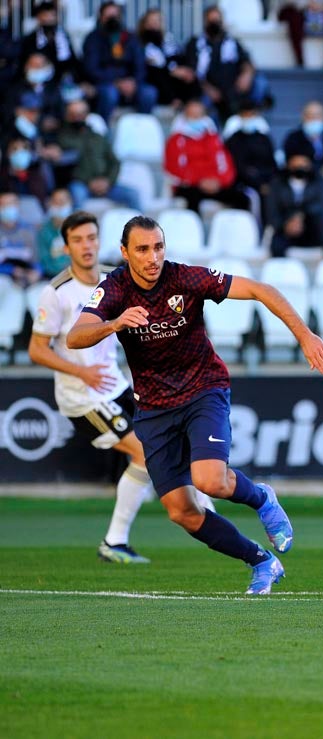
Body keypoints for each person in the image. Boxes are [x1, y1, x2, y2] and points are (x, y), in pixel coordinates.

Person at [68, 214, 323, 595]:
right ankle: (261, 561)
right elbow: (75, 337)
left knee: (209, 480)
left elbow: (261, 290)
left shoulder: (186, 278)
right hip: (155, 409)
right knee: (181, 511)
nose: (152, 257)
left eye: (158, 247)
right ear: (125, 253)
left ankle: (261, 498)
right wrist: (114, 324)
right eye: (142, 249)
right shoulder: (114, 289)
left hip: (202, 390)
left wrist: (305, 335)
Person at [29, 211, 171, 564]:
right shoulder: (56, 292)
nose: (87, 246)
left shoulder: (115, 279)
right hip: (83, 397)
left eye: (91, 237)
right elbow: (36, 350)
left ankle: (199, 509)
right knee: (141, 453)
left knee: (165, 441)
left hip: (116, 383)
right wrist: (82, 373)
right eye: (77, 240)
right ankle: (115, 541)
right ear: (66, 248)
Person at [164, 99, 249, 213]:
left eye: (198, 116)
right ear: (184, 117)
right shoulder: (176, 140)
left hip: (215, 184)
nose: (195, 119)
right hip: (190, 185)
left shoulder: (214, 139)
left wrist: (219, 182)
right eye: (191, 115)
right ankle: (193, 230)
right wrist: (199, 181)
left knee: (241, 199)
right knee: (192, 198)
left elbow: (225, 165)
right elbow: (173, 168)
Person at [182, 5, 264, 119]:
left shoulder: (231, 42)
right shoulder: (195, 43)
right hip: (206, 91)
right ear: (205, 22)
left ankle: (250, 119)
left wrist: (246, 75)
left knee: (260, 83)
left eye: (217, 20)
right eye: (211, 21)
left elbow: (247, 62)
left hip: (233, 89)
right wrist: (208, 89)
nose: (214, 24)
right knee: (202, 104)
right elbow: (192, 71)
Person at [58, 99, 140, 210]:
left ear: (86, 115)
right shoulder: (61, 138)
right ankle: (76, 227)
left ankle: (141, 227)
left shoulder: (98, 137)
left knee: (133, 195)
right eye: (73, 114)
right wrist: (89, 182)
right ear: (67, 116)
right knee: (77, 196)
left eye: (80, 114)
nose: (77, 118)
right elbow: (64, 169)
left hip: (105, 184)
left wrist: (108, 181)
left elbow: (114, 162)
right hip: (81, 184)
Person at [82, 1, 156, 120]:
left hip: (131, 83)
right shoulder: (93, 39)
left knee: (149, 93)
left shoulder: (131, 37)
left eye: (115, 16)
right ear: (101, 18)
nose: (112, 19)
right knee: (109, 94)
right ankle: (104, 133)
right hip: (106, 83)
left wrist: (133, 82)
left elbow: (140, 66)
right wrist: (116, 82)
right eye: (108, 16)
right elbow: (91, 69)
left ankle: (141, 130)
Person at [266, 152, 323, 255]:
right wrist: (286, 224)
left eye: (303, 165)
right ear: (288, 165)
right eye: (295, 165)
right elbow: (271, 212)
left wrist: (300, 216)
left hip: (311, 227)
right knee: (277, 245)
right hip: (286, 228)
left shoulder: (319, 182)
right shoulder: (277, 184)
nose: (299, 168)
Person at [138, 8, 196, 108]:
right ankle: (173, 100)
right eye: (152, 21)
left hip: (173, 78)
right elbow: (155, 64)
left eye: (158, 21)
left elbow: (176, 56)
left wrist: (182, 70)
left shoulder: (168, 38)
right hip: (155, 81)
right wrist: (172, 69)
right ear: (145, 24)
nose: (155, 24)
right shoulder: (141, 43)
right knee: (157, 73)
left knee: (190, 75)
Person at [20, 1, 79, 83]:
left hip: (63, 79)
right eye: (45, 16)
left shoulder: (63, 36)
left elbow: (72, 60)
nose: (49, 19)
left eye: (52, 15)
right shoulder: (30, 39)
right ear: (38, 18)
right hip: (40, 80)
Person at [283, 101, 323, 178]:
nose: (314, 119)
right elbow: (290, 159)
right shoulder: (293, 137)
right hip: (303, 177)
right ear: (303, 117)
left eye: (317, 116)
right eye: (310, 116)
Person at [0, 190, 38, 286]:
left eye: (12, 204)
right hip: (4, 278)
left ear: (18, 205)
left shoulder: (29, 230)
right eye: (4, 204)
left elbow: (36, 259)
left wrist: (37, 272)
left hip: (28, 277)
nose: (9, 208)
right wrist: (11, 270)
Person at [35, 187, 72, 274]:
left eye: (63, 202)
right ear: (50, 204)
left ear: (70, 203)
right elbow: (44, 259)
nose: (60, 206)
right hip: (52, 277)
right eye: (56, 202)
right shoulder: (44, 230)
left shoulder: (80, 227)